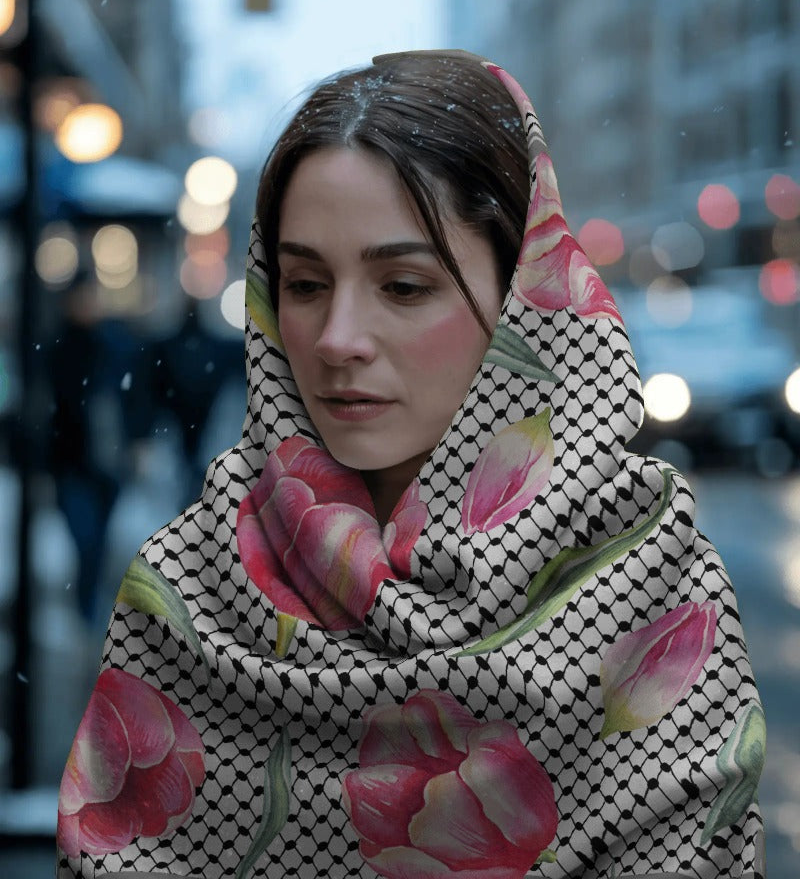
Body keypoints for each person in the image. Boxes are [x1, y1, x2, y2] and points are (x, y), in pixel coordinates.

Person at [55, 51, 766, 879]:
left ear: (520, 300)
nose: (336, 339)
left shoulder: (648, 576)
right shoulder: (192, 583)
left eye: (402, 285)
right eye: (305, 283)